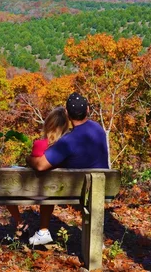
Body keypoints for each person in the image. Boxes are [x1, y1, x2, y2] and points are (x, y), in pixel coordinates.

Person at [0, 106, 70, 239]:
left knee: (6, 178)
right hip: (55, 191)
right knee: (45, 187)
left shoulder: (40, 144)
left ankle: (18, 222)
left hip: (32, 190)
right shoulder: (67, 147)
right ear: (65, 126)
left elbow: (34, 164)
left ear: (48, 124)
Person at [26, 92, 109, 246]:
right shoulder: (98, 129)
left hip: (77, 191)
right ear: (88, 110)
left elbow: (40, 165)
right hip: (102, 188)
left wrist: (28, 159)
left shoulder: (68, 141)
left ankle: (43, 231)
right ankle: (96, 238)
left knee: (49, 179)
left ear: (67, 114)